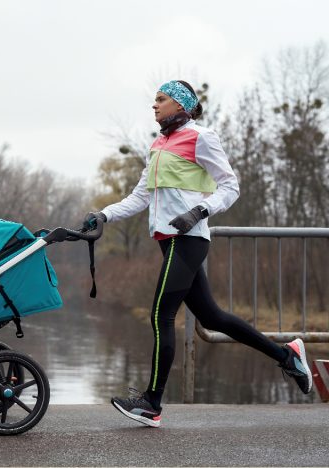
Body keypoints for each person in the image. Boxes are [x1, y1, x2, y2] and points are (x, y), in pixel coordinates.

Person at [83, 80, 313, 428]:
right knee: (213, 318)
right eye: (155, 100)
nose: (154, 106)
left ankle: (151, 403)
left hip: (188, 238)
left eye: (161, 100)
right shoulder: (158, 144)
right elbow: (140, 196)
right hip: (169, 240)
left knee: (161, 314)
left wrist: (199, 212)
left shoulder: (201, 136)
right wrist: (104, 214)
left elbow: (230, 186)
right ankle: (288, 356)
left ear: (181, 104)